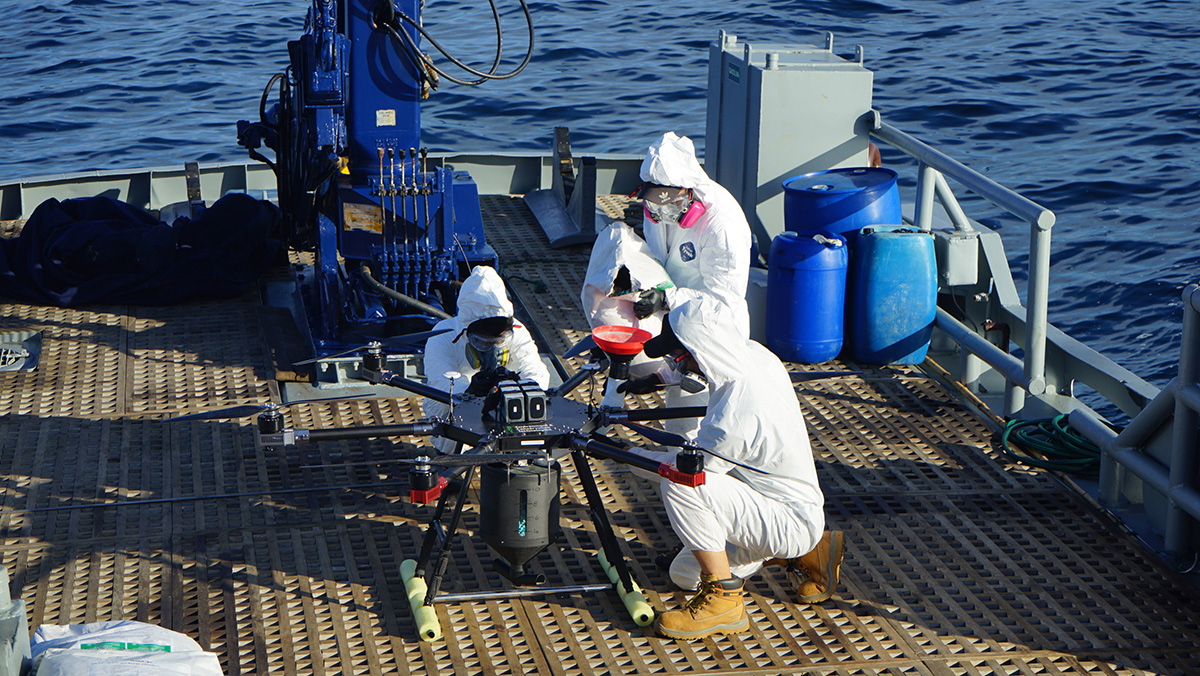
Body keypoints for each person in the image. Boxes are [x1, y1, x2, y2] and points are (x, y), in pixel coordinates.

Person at [632, 298, 844, 640]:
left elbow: (688, 470)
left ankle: (725, 600)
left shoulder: (737, 415)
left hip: (787, 519)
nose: (676, 364)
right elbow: (704, 379)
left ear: (701, 350)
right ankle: (811, 551)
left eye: (678, 357)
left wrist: (621, 452)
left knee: (682, 485)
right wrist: (663, 379)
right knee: (683, 575)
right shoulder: (753, 354)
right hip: (778, 500)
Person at [618, 132, 753, 437]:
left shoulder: (723, 226)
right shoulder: (656, 210)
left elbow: (722, 303)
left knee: (707, 433)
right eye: (653, 203)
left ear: (688, 192)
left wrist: (666, 299)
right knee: (677, 433)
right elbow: (658, 258)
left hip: (712, 336)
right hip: (676, 328)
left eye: (667, 203)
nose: (658, 212)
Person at [422, 265, 550, 452]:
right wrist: (469, 391)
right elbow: (439, 380)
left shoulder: (518, 330)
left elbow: (536, 369)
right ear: (467, 330)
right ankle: (452, 457)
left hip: (506, 403)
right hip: (459, 401)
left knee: (531, 405)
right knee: (442, 406)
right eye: (482, 342)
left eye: (498, 341)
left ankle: (515, 451)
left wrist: (519, 386)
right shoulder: (442, 335)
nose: (491, 349)